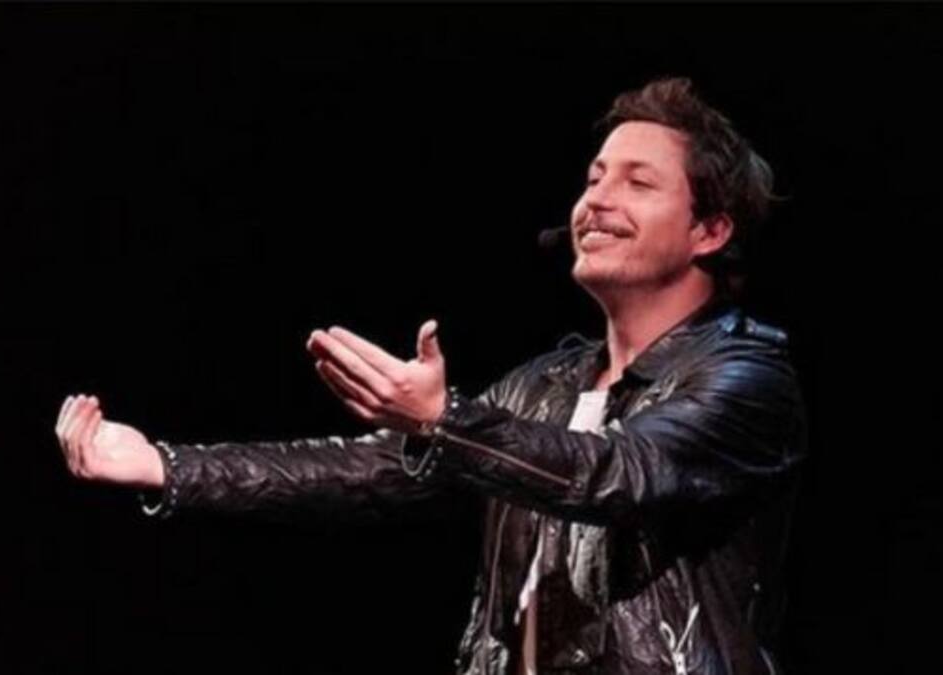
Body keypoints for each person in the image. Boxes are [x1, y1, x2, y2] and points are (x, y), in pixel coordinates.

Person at [55, 77, 807, 675]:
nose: (596, 200)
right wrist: (168, 466)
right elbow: (377, 469)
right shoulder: (545, 385)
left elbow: (616, 473)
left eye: (638, 183)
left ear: (711, 229)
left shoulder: (746, 378)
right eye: (594, 177)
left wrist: (444, 420)